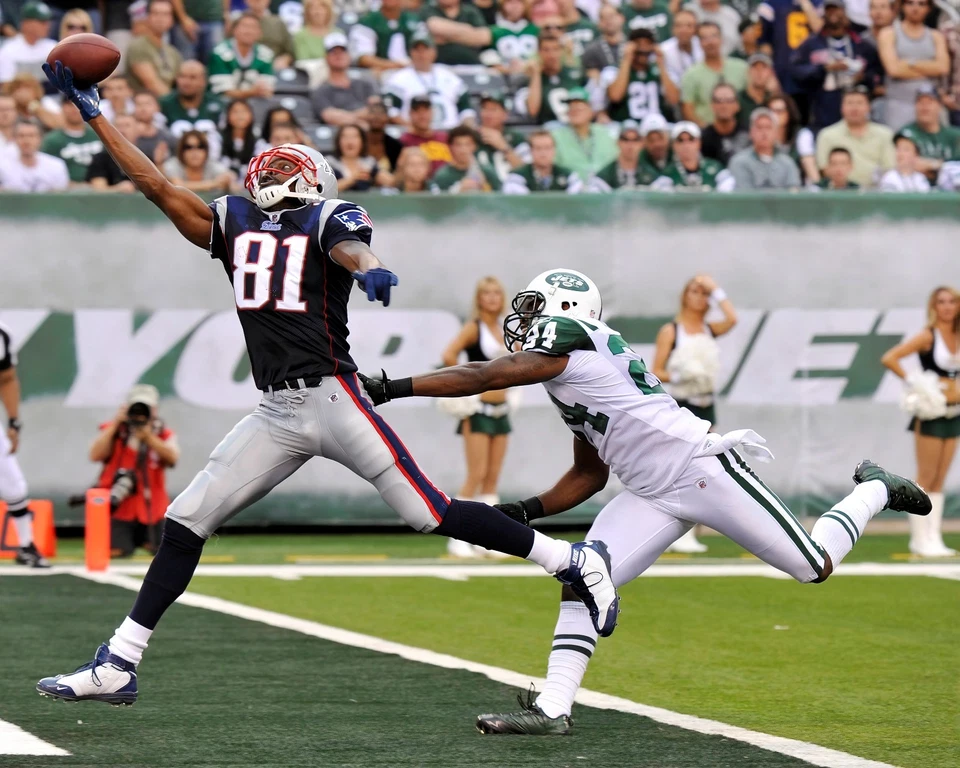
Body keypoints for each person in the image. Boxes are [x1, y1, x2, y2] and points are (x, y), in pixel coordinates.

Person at [36, 59, 618, 705]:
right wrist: (95, 115)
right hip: (278, 411)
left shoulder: (321, 220)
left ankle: (570, 561)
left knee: (428, 514)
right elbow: (156, 185)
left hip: (336, 397)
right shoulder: (234, 221)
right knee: (186, 519)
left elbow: (346, 246)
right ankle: (119, 662)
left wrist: (370, 266)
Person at [357, 267, 931, 734]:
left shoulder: (574, 341)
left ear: (565, 315)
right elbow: (588, 476)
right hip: (650, 492)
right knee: (583, 574)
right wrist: (526, 511)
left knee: (813, 566)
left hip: (700, 468)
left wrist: (392, 387)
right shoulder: (570, 376)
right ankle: (554, 708)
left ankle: (875, 486)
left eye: (536, 309)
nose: (524, 319)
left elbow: (488, 374)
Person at [881, 286, 960, 557]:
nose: (947, 307)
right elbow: (889, 358)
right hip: (930, 413)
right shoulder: (928, 336)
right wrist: (917, 383)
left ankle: (933, 538)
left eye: (952, 302)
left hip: (954, 412)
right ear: (933, 307)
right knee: (926, 476)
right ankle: (918, 539)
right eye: (942, 302)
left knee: (940, 478)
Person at [439, 277, 513, 558]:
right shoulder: (474, 328)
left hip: (502, 411)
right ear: (479, 298)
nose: (493, 298)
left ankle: (489, 539)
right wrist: (465, 386)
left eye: (497, 293)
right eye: (487, 293)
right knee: (476, 475)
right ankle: (458, 537)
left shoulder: (505, 329)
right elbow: (448, 354)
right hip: (477, 411)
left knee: (493, 478)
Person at [89, 385, 180, 557]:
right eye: (135, 407)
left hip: (153, 507)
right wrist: (116, 424)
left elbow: (173, 459)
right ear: (126, 407)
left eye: (146, 408)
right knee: (116, 550)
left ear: (155, 410)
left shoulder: (162, 433)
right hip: (119, 505)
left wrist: (149, 438)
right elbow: (95, 455)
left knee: (164, 550)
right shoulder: (114, 430)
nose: (140, 413)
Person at [790, 0, 882, 132]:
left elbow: (877, 73)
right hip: (823, 113)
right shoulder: (811, 44)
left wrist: (863, 77)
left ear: (844, 12)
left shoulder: (861, 45)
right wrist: (824, 68)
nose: (832, 13)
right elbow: (796, 72)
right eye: (829, 10)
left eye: (836, 9)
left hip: (857, 114)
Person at [0, 321, 46, 568]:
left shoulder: (2, 334)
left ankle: (26, 545)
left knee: (14, 485)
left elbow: (6, 379)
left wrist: (13, 423)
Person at [876, 0, 949, 132]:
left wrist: (909, 63)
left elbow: (943, 68)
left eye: (921, 4)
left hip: (930, 108)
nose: (915, 8)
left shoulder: (936, 36)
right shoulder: (888, 33)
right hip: (898, 106)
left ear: (928, 8)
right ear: (902, 6)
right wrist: (930, 69)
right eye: (910, 3)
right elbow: (893, 70)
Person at [382, 30, 474, 129]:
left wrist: (464, 131)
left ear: (434, 51)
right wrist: (417, 131)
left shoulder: (450, 77)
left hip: (450, 135)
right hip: (414, 134)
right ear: (410, 52)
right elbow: (392, 112)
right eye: (417, 49)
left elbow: (466, 110)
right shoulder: (398, 79)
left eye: (425, 49)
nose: (421, 54)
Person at [815, 85, 894, 187]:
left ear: (869, 107)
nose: (854, 108)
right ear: (841, 107)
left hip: (875, 194)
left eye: (859, 103)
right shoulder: (827, 135)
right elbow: (824, 169)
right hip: (840, 193)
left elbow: (889, 168)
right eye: (850, 103)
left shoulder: (885, 134)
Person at [757, 0, 824, 120]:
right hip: (783, 75)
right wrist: (770, 74)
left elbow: (822, 31)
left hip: (814, 76)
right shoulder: (771, 4)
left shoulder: (819, 3)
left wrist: (806, 5)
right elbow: (764, 43)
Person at [427, 0, 539, 71]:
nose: (514, 6)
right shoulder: (496, 31)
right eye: (510, 2)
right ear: (502, 5)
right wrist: (503, 68)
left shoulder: (536, 29)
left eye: (518, 2)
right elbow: (472, 38)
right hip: (506, 74)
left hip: (532, 71)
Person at [601, 29, 677, 122]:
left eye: (647, 44)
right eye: (638, 44)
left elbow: (674, 100)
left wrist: (661, 64)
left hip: (657, 127)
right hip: (626, 127)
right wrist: (627, 59)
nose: (643, 48)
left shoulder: (660, 71)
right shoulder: (613, 71)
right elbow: (615, 96)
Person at [680, 22, 748, 126]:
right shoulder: (691, 75)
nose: (710, 42)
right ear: (699, 43)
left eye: (714, 36)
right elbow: (688, 109)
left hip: (741, 131)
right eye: (704, 38)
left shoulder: (742, 67)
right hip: (707, 133)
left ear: (721, 39)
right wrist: (707, 132)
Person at [550, 88, 619, 182]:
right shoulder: (556, 136)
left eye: (580, 106)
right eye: (571, 106)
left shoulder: (604, 133)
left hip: (604, 187)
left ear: (591, 110)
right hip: (571, 188)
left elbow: (615, 161)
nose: (575, 110)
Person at [310, 33, 378, 126]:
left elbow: (377, 111)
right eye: (333, 52)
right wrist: (360, 121)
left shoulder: (365, 84)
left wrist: (348, 116)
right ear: (326, 57)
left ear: (349, 55)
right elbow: (329, 116)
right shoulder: (320, 91)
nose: (339, 55)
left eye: (342, 51)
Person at [159, 60, 224, 158]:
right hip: (173, 162)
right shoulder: (164, 104)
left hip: (212, 163)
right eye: (182, 76)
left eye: (192, 77)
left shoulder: (218, 104)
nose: (186, 82)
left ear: (204, 81)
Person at [520, 35, 588, 124]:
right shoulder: (532, 78)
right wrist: (536, 74)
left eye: (556, 49)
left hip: (577, 124)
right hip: (549, 126)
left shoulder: (576, 73)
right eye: (546, 50)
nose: (551, 55)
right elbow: (533, 111)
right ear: (539, 52)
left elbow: (591, 104)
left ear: (562, 51)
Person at [896, 86, 960, 181]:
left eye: (930, 102)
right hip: (916, 187)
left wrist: (933, 165)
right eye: (920, 102)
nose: (924, 107)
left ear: (940, 106)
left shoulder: (954, 135)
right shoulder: (907, 133)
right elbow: (907, 164)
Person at [728, 106, 801, 188]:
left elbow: (794, 193)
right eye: (759, 127)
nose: (764, 132)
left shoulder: (787, 163)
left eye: (768, 127)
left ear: (776, 132)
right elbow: (744, 195)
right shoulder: (739, 161)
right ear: (751, 132)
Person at [208, 12, 276, 100]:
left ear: (260, 32)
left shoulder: (266, 55)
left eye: (253, 27)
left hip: (255, 104)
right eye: (245, 26)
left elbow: (266, 91)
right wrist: (252, 92)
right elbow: (223, 92)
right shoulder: (220, 53)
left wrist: (258, 91)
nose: (249, 31)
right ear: (234, 30)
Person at [653, 120, 735, 189]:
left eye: (691, 139)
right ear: (673, 145)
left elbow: (728, 191)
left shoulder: (716, 168)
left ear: (699, 143)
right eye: (680, 140)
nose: (686, 145)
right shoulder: (668, 173)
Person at [125, 0, 183, 96]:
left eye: (166, 14)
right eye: (156, 13)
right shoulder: (138, 46)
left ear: (172, 20)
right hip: (144, 105)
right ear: (147, 17)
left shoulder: (173, 52)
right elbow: (152, 84)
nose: (161, 19)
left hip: (166, 103)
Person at [40, 98, 103, 184]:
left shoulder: (99, 135)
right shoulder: (52, 140)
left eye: (79, 105)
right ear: (62, 108)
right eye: (69, 105)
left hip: (102, 190)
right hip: (66, 192)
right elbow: (46, 170)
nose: (74, 108)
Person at [348, 0, 421, 73]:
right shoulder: (368, 22)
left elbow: (426, 49)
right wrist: (395, 66)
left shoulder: (413, 20)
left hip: (413, 71)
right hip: (382, 71)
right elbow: (364, 58)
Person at [503, 129, 582, 193]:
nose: (543, 153)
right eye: (538, 148)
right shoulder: (517, 177)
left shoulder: (569, 176)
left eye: (547, 148)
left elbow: (575, 203)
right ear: (531, 151)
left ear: (554, 150)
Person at [587, 120, 658, 190]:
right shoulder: (604, 177)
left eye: (635, 140)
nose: (630, 145)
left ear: (642, 143)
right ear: (617, 142)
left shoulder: (652, 175)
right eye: (625, 139)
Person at [475, 92, 530, 182]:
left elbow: (527, 173)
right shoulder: (471, 137)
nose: (488, 114)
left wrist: (504, 147)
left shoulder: (516, 138)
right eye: (485, 109)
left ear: (505, 114)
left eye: (493, 109)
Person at [430, 125, 501, 193]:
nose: (463, 150)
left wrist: (485, 187)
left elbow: (501, 198)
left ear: (475, 146)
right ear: (450, 147)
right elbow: (438, 202)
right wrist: (459, 189)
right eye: (458, 145)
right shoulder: (442, 176)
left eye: (468, 144)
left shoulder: (487, 171)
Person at [0, 120, 68, 191]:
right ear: (14, 139)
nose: (26, 140)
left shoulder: (56, 166)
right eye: (21, 136)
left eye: (31, 136)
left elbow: (61, 198)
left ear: (40, 138)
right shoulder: (2, 167)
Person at [0, 1, 56, 86]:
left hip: (52, 97)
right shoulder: (8, 50)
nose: (47, 26)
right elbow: (6, 87)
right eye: (42, 22)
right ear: (26, 24)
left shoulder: (53, 47)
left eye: (48, 22)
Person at [767, 92, 818, 182]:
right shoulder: (762, 137)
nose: (775, 115)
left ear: (789, 113)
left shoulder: (802, 135)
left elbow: (809, 164)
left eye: (779, 111)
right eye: (771, 111)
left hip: (796, 188)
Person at [162, 129, 234, 192]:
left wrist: (227, 181)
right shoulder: (173, 165)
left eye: (200, 146)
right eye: (188, 147)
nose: (194, 152)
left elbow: (228, 177)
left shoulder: (211, 164)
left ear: (206, 150)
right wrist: (214, 183)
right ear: (181, 151)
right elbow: (178, 186)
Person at [419, 0, 487, 65]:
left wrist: (445, 35)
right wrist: (469, 33)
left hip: (470, 64)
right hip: (437, 65)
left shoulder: (470, 11)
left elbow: (483, 37)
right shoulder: (428, 9)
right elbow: (434, 26)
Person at [328, 123, 393, 191]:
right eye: (345, 137)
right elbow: (327, 189)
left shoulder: (369, 162)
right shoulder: (328, 163)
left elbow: (390, 182)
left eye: (354, 137)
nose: (350, 141)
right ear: (338, 141)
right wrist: (353, 179)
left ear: (362, 141)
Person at [398, 95, 452, 175]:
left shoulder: (445, 138)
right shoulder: (403, 141)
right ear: (410, 114)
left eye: (425, 110)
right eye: (417, 111)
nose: (422, 115)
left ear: (432, 112)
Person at [700, 81, 750, 164]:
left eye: (729, 101)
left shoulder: (748, 134)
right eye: (718, 101)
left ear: (737, 105)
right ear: (712, 105)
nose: (724, 106)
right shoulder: (703, 139)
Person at [87, 113, 139, 191]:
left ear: (137, 131)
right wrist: (119, 189)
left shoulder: (146, 158)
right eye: (118, 126)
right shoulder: (101, 159)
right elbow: (98, 191)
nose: (122, 130)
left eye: (127, 126)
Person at [242, 0, 294, 70]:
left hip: (275, 68)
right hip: (245, 68)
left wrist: (285, 59)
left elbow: (291, 51)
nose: (258, 1)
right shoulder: (238, 22)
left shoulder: (278, 23)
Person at [658, 10, 703, 86]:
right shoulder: (663, 50)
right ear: (672, 29)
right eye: (678, 26)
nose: (683, 30)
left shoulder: (704, 46)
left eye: (689, 26)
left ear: (696, 29)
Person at [580, 3, 626, 76]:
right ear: (598, 23)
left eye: (611, 16)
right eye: (603, 18)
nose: (608, 21)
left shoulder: (631, 44)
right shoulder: (591, 50)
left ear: (622, 18)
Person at [132, 91, 174, 166]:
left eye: (147, 104)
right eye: (138, 104)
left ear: (157, 107)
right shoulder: (123, 131)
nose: (143, 108)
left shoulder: (166, 135)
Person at [218, 98, 257, 177]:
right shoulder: (218, 138)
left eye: (244, 111)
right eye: (235, 112)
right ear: (227, 115)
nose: (240, 116)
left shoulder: (258, 141)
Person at [366, 96, 402, 173]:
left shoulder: (395, 146)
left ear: (387, 118)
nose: (376, 117)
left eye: (381, 113)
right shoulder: (358, 141)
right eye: (373, 113)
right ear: (367, 116)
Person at [738, 52, 777, 124]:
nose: (759, 72)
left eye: (764, 67)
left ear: (771, 72)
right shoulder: (738, 99)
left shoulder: (774, 100)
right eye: (755, 67)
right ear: (748, 71)